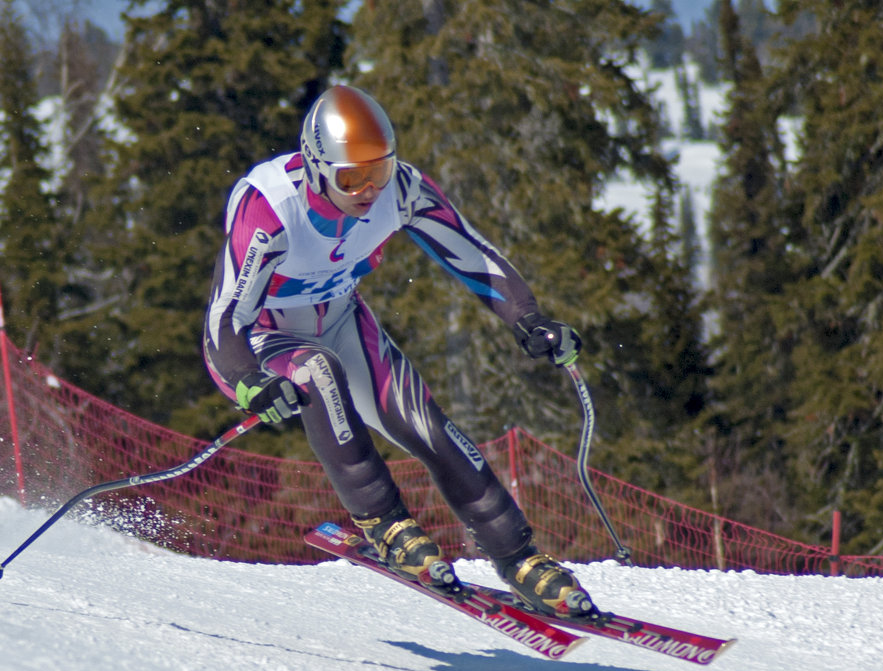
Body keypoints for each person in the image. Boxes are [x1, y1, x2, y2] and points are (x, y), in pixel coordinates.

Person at [203, 85, 595, 618]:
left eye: (378, 172)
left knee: (426, 425)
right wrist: (248, 379)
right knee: (318, 372)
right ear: (317, 167)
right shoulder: (270, 208)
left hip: (341, 318)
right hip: (258, 340)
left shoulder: (402, 190)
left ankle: (521, 558)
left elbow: (472, 254)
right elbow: (224, 320)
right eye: (350, 178)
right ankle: (384, 523)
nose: (367, 190)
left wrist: (529, 318)